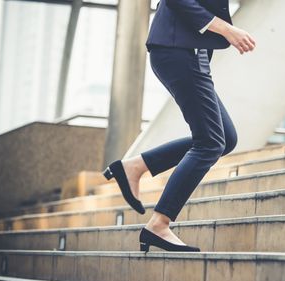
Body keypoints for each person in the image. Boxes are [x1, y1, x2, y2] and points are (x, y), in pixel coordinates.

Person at [103, 0, 256, 252]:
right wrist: (228, 30)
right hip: (180, 50)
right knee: (210, 142)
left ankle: (136, 166)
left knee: (224, 139)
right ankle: (159, 223)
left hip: (189, 52)